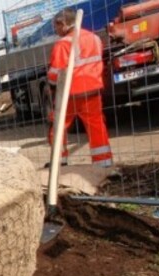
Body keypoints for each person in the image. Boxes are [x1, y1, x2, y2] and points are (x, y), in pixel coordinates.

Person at [46, 7, 113, 168]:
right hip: (92, 90)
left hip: (70, 93)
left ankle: (59, 161)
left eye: (56, 26)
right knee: (97, 125)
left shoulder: (63, 44)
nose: (56, 30)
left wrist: (52, 86)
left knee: (58, 126)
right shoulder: (95, 38)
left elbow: (56, 74)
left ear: (63, 23)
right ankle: (103, 162)